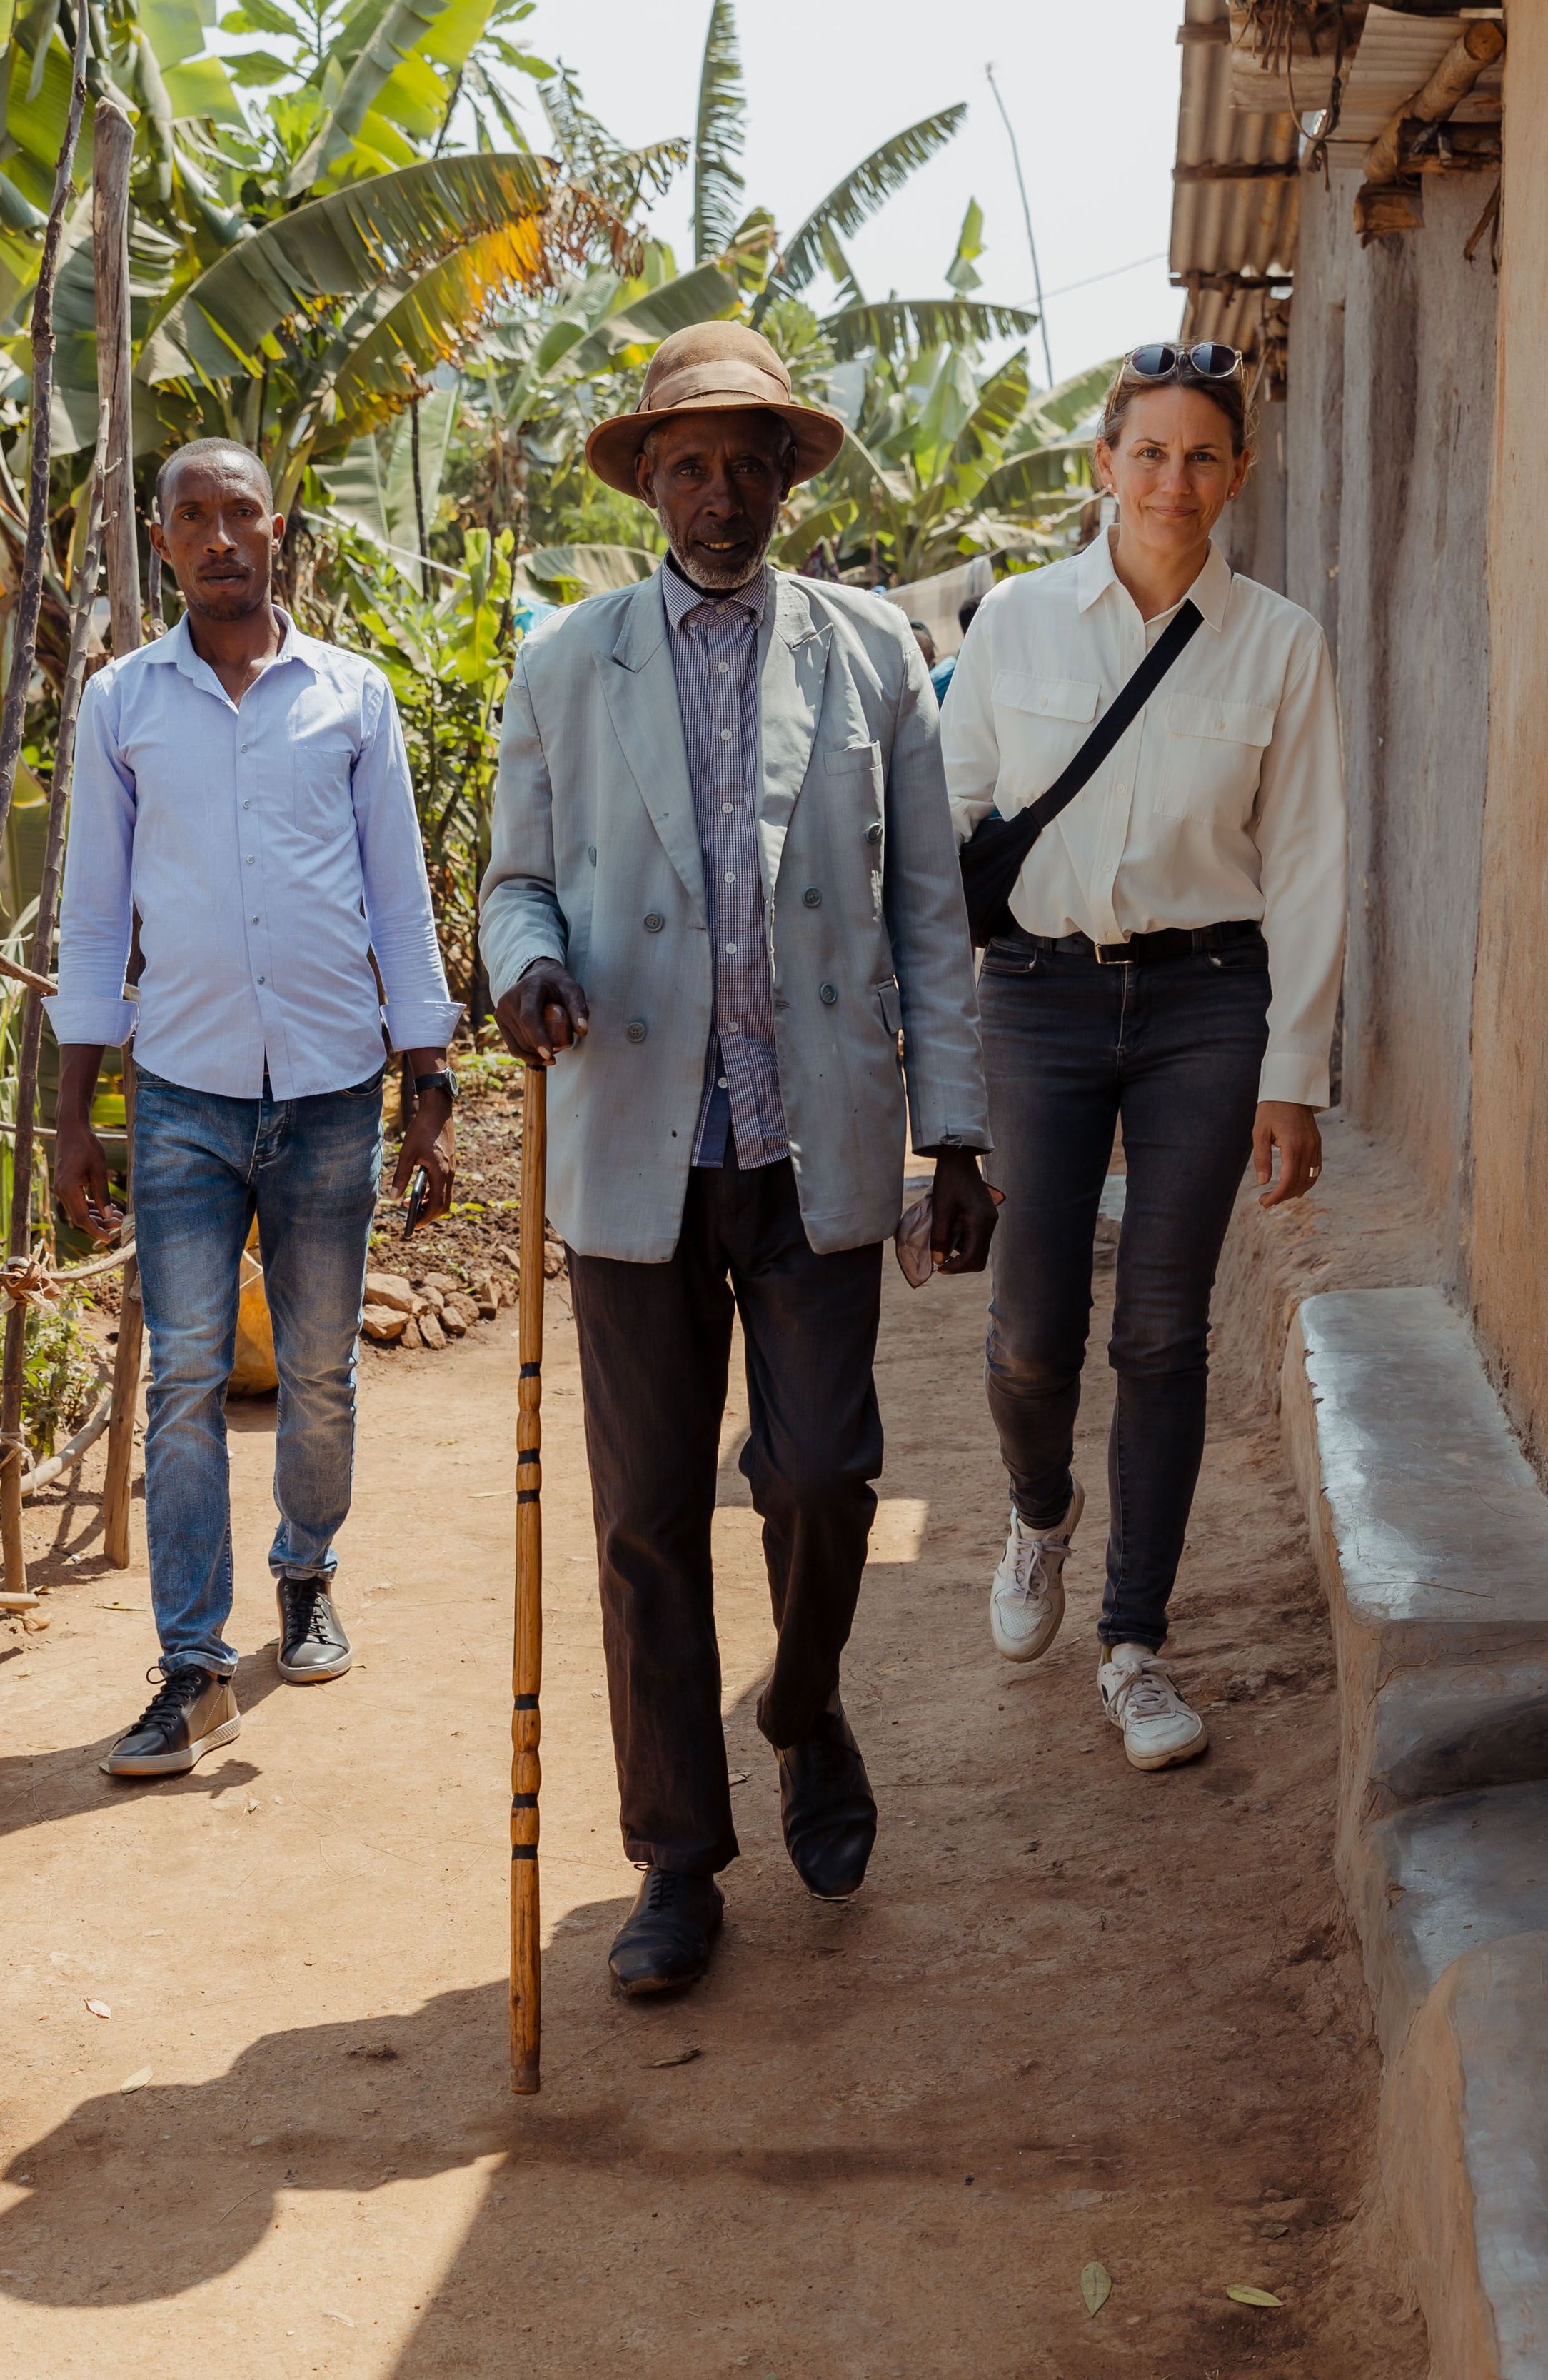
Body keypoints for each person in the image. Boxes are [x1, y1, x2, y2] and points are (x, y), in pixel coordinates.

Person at [482, 322, 997, 1999]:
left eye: (745, 461)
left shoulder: (869, 658)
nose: (718, 493)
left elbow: (929, 903)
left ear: (787, 474)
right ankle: (675, 1864)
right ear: (649, 481)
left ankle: (801, 1701)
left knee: (820, 1472)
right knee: (641, 1520)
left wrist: (960, 1128)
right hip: (634, 1132)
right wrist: (526, 969)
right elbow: (517, 880)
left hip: (809, 1132)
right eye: (686, 464)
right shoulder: (567, 666)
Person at [938, 341, 1345, 1771]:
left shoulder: (1281, 645)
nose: (1174, 479)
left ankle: (1133, 1641)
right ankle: (1037, 1509)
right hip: (1039, 1000)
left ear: (1237, 477)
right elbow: (947, 834)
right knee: (1031, 1325)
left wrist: (1292, 1067)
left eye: (1202, 456)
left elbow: (1304, 866)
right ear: (1102, 465)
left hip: (1205, 1003)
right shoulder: (1014, 626)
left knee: (1164, 1326)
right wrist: (934, 1074)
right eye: (1149, 451)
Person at [51, 437, 461, 1780]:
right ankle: (189, 1664)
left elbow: (398, 896)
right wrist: (73, 1112)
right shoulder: (123, 705)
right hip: (180, 1092)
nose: (219, 537)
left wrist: (430, 1085)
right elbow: (99, 911)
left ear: (277, 528)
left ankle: (306, 1567)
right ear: (162, 540)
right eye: (193, 518)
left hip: (335, 1089)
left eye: (240, 513)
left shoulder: (353, 696)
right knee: (179, 1378)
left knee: (323, 1372)